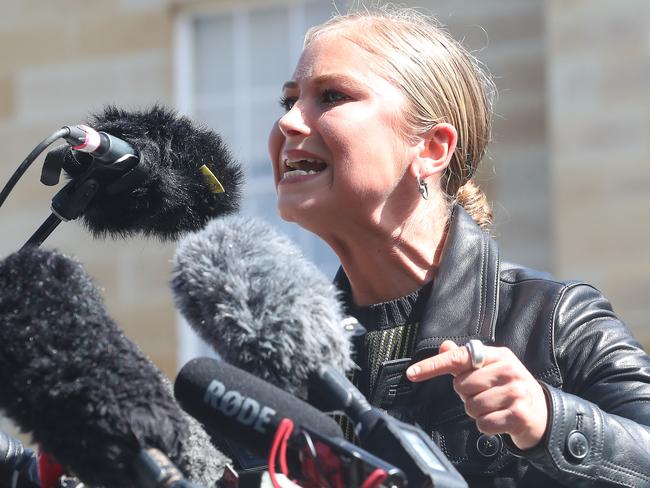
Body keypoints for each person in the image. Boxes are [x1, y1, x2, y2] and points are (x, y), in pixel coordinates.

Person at [267, 4, 650, 487]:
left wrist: (548, 419)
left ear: (431, 148)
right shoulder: (284, 364)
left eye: (331, 96)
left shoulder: (553, 321)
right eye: (288, 102)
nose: (290, 123)